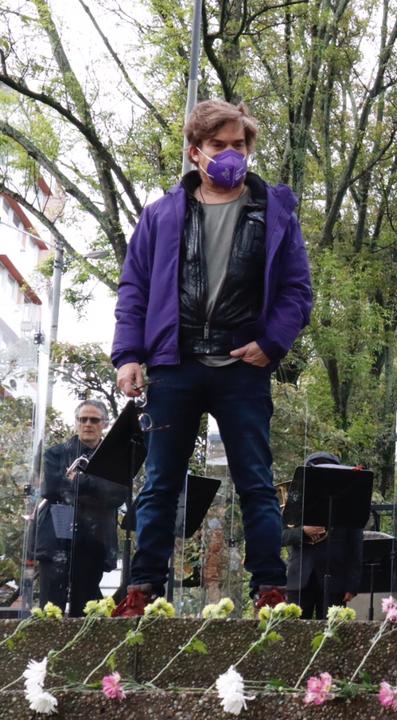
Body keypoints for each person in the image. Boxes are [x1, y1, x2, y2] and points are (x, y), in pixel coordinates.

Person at [111, 99, 313, 616]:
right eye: (219, 145)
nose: (230, 154)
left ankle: (270, 589)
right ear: (195, 152)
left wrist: (271, 344)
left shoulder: (275, 212)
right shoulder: (160, 215)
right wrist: (128, 355)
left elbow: (296, 290)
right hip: (174, 362)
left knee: (256, 480)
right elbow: (134, 288)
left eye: (239, 145)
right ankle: (141, 591)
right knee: (159, 481)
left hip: (242, 365)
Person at [33, 399, 128, 616]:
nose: (87, 424)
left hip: (94, 541)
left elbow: (117, 495)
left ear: (104, 424)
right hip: (57, 537)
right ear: (75, 422)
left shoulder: (114, 459)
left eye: (94, 420)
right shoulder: (56, 453)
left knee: (85, 606)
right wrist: (96, 489)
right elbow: (51, 489)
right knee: (50, 608)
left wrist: (80, 481)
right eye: (82, 419)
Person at [283, 452, 366, 619]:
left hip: (335, 579)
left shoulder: (348, 503)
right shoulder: (295, 502)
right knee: (295, 633)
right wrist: (303, 532)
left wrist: (352, 584)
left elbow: (355, 545)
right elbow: (279, 537)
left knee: (332, 634)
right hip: (298, 579)